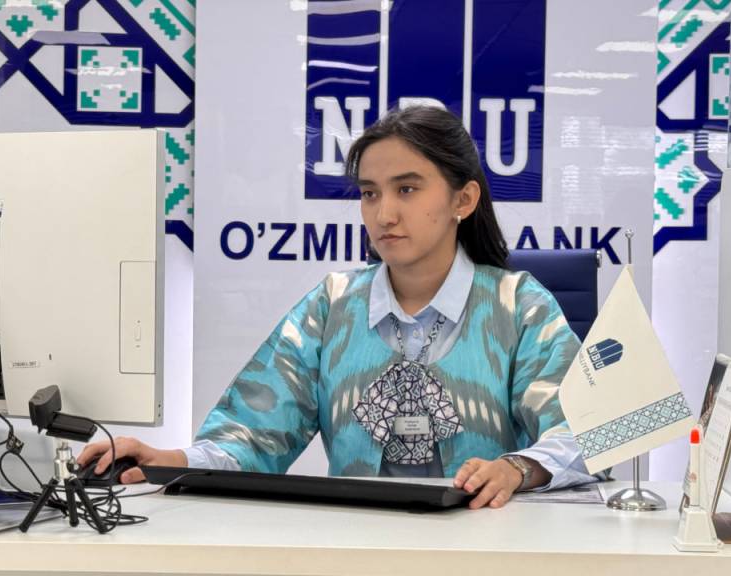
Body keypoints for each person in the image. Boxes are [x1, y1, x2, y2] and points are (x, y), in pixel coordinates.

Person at [78, 105, 598, 509]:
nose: (384, 214)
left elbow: (588, 428)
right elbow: (254, 433)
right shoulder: (331, 306)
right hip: (353, 545)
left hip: (486, 547)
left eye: (407, 189)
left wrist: (517, 468)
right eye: (370, 193)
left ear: (463, 200)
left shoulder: (519, 305)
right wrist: (169, 460)